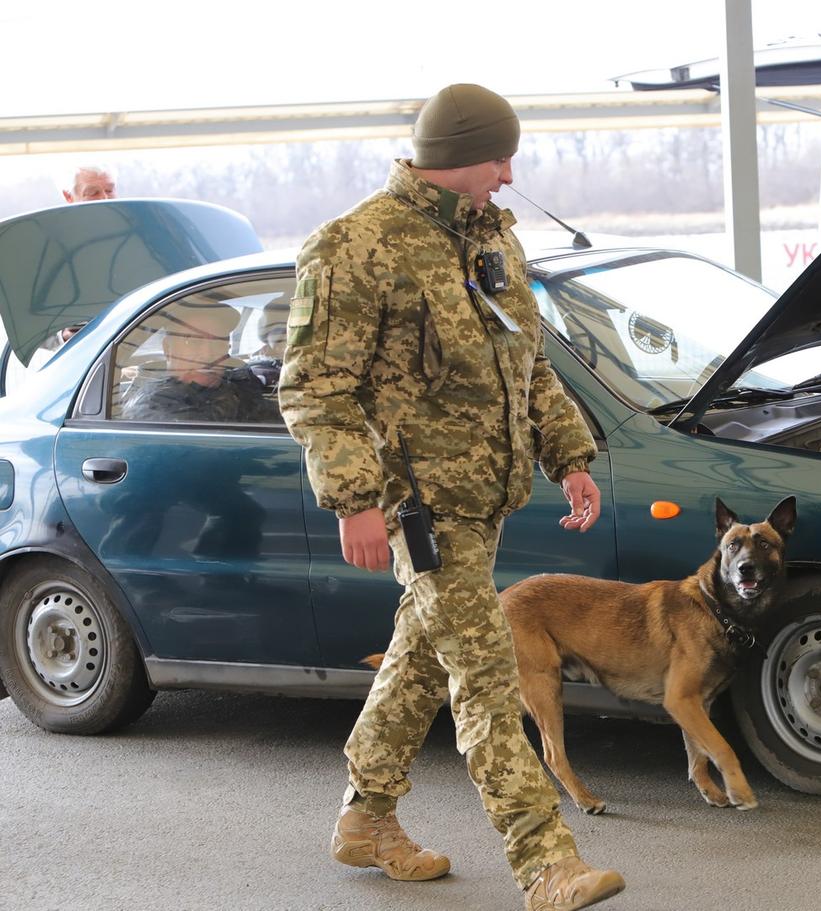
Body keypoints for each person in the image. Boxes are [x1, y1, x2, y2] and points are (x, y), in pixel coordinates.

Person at [278, 84, 624, 911]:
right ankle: (546, 862)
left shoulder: (489, 238)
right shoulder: (355, 246)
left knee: (422, 657)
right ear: (464, 153)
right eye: (502, 157)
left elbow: (528, 361)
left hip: (484, 497)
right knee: (485, 671)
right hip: (418, 506)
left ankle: (366, 817)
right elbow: (315, 390)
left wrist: (568, 452)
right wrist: (354, 500)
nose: (510, 175)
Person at [120, 301, 277, 423]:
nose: (208, 354)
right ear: (168, 348)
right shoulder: (154, 408)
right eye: (193, 341)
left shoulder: (238, 384)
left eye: (218, 342)